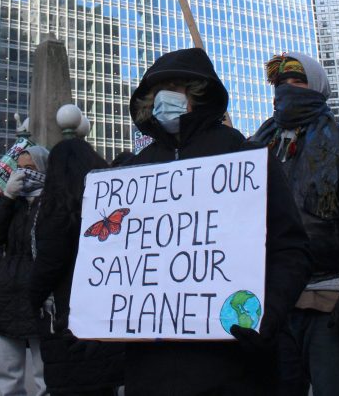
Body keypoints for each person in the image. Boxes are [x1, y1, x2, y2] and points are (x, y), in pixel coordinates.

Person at [124, 48, 311, 395]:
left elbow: (291, 248)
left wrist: (265, 316)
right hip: (151, 370)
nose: (166, 96)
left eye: (176, 85)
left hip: (233, 367)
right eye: (159, 88)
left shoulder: (244, 157)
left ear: (198, 92)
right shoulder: (134, 172)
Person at [252, 52, 339, 396]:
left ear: (319, 88)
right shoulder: (256, 146)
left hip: (331, 302)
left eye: (298, 82)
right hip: (275, 304)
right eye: (281, 85)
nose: (288, 91)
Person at [29, 138, 124, 396]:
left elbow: (47, 266)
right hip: (106, 313)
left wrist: (32, 297)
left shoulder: (55, 210)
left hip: (68, 321)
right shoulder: (106, 205)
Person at [0, 146, 50, 396]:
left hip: (41, 297)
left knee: (46, 375)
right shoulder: (14, 203)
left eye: (30, 169)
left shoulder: (52, 202)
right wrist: (7, 199)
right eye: (20, 168)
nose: (24, 174)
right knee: (8, 375)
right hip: (7, 296)